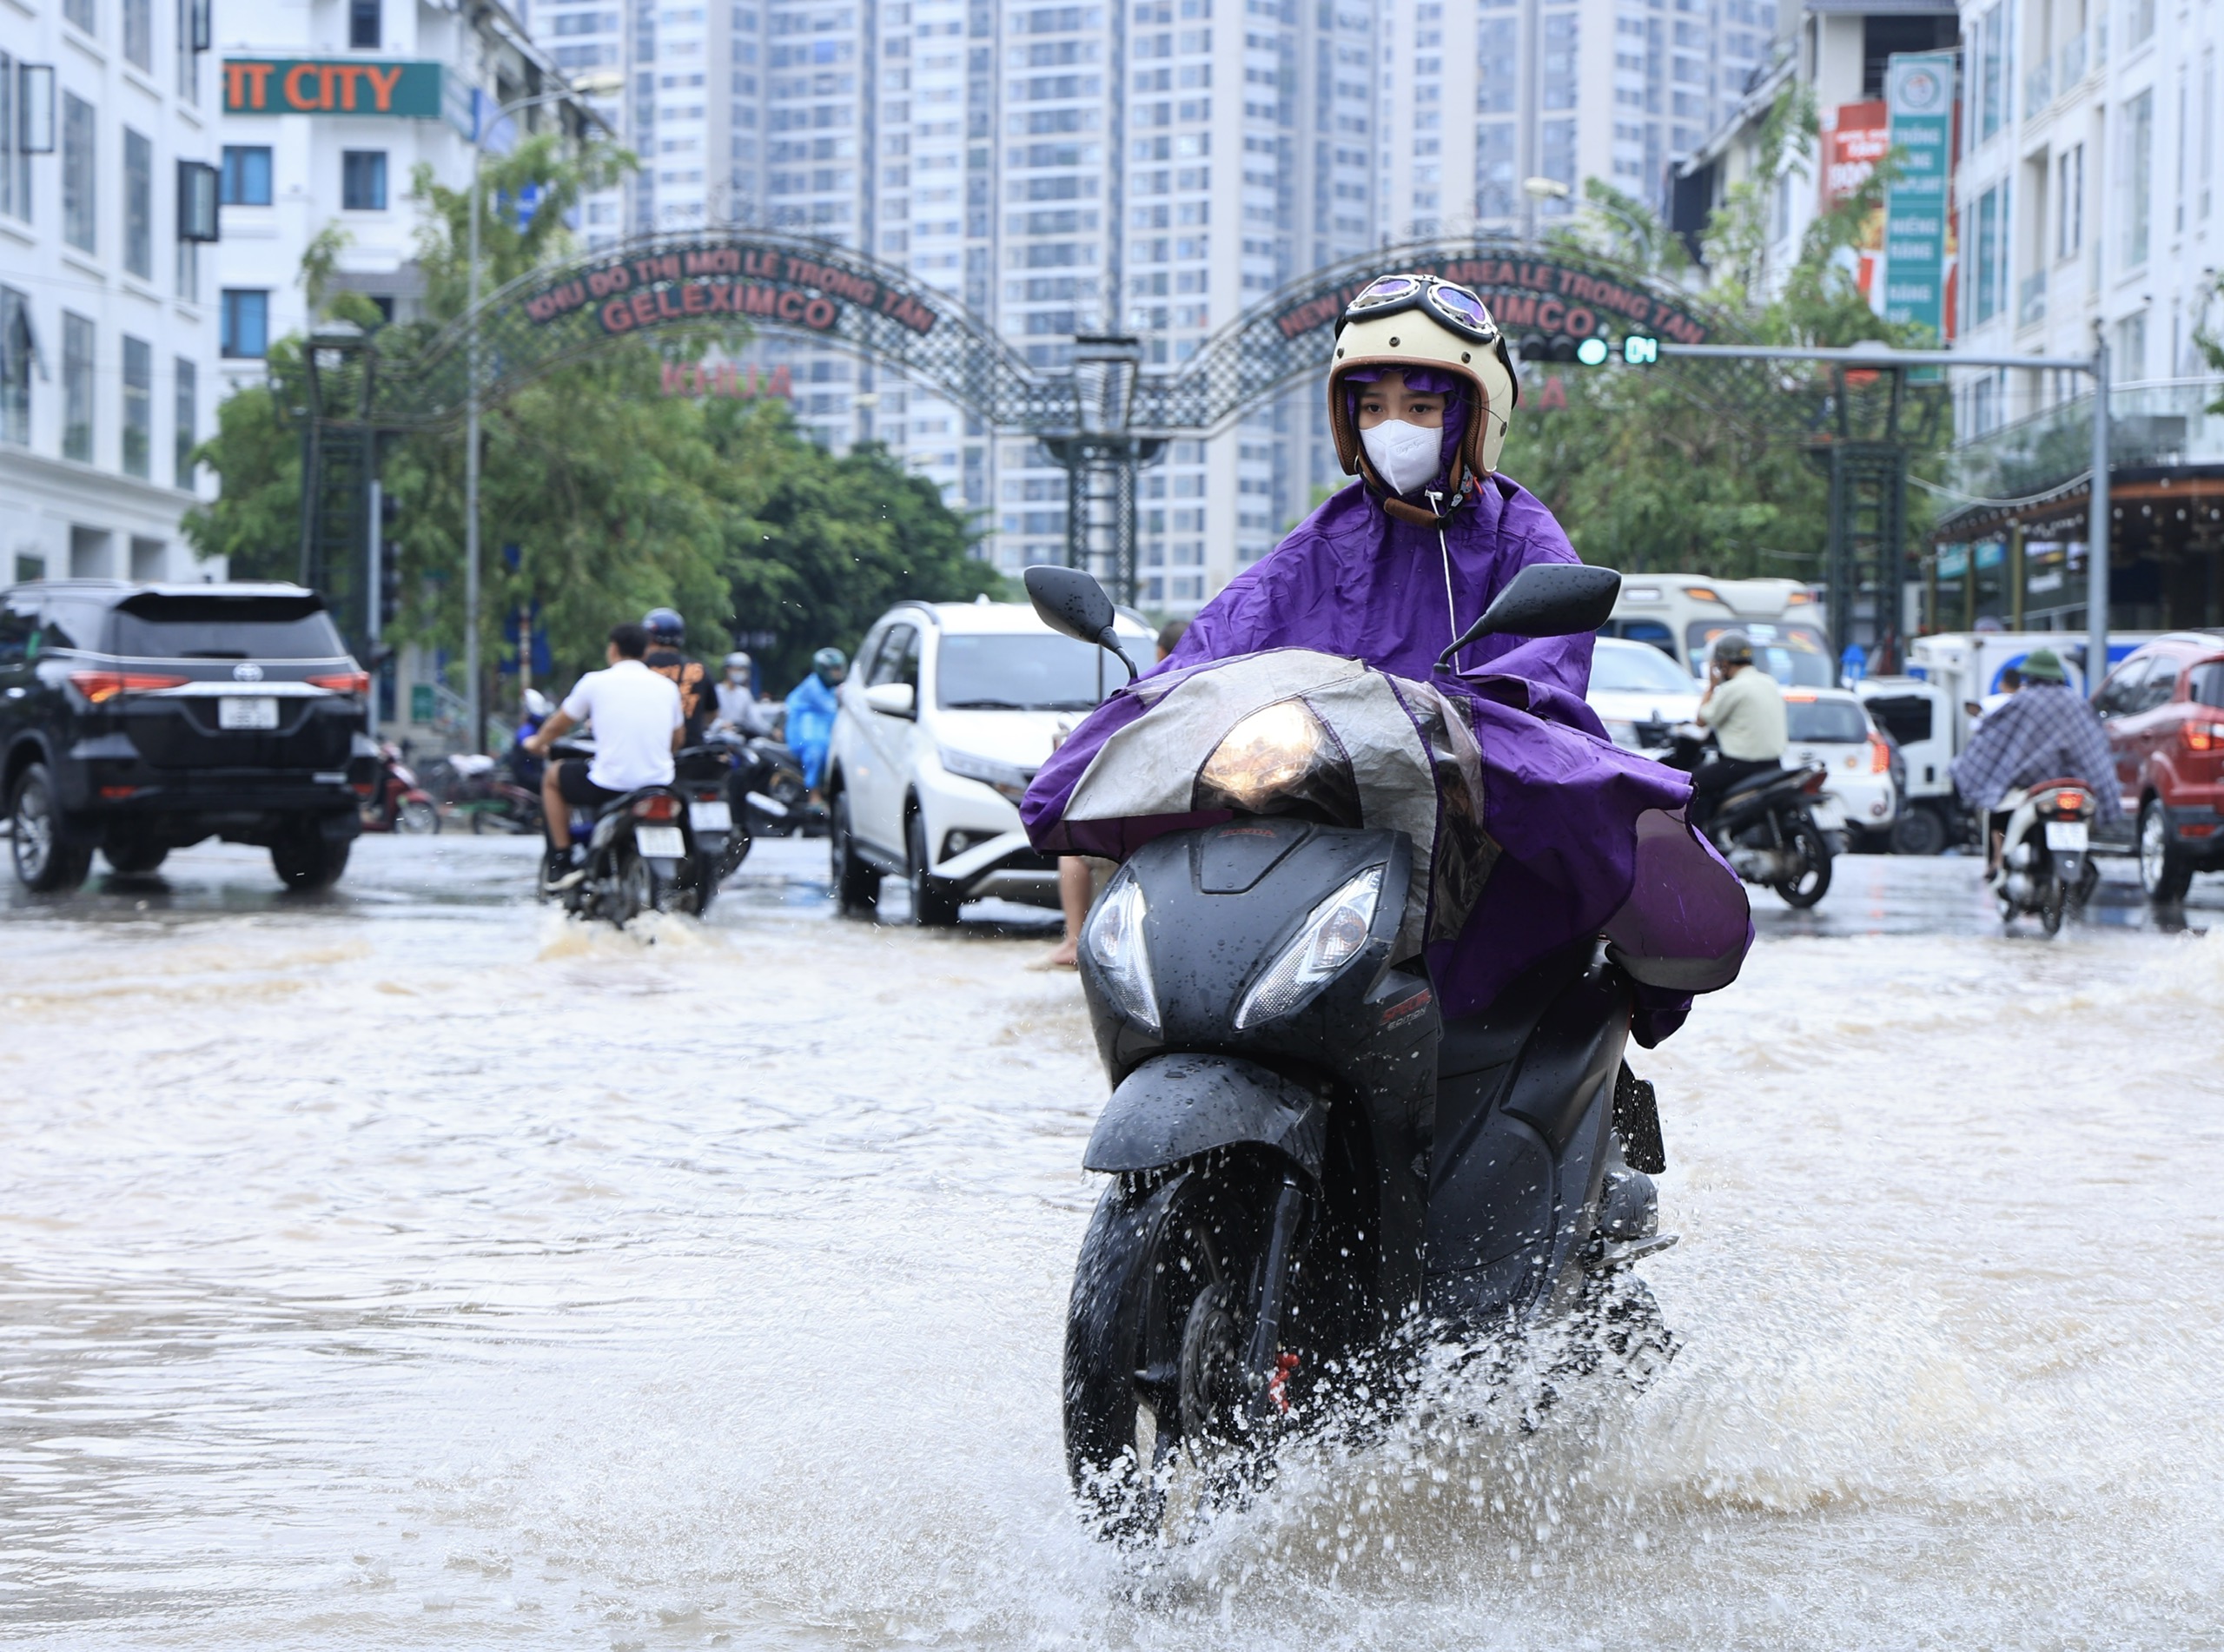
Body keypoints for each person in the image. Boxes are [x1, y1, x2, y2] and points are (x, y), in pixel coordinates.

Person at [1021, 271, 1750, 1043]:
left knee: (1609, 826)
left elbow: (1545, 675)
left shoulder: (1523, 538)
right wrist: (1143, 707)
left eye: (1421, 407)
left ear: (1472, 417)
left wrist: (1458, 714)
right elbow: (1226, 634)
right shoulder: (1326, 537)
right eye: (1372, 407)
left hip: (1474, 790)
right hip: (1327, 798)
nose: (1391, 426)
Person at [1042, 618, 1190, 968]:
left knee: (1074, 852)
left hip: (1146, 825)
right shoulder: (1226, 692)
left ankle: (1074, 942)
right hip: (1203, 823)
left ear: (1159, 653)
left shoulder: (1145, 695)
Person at [522, 621, 685, 891]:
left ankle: (561, 860)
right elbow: (677, 740)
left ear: (613, 650)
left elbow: (557, 725)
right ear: (645, 653)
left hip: (610, 785)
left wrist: (537, 743)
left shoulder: (595, 682)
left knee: (552, 777)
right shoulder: (667, 687)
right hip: (659, 785)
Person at [1950, 646, 2121, 872]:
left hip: (2032, 786)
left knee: (1998, 810)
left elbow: (1994, 740)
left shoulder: (2023, 702)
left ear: (2030, 675)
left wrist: (1964, 766)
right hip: (2077, 786)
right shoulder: (2078, 703)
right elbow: (2096, 748)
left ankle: (1998, 863)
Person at [1687, 630, 1788, 831]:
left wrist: (1711, 686)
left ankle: (1697, 846)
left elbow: (1701, 720)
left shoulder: (1733, 688)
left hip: (1741, 766)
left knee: (1689, 785)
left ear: (1723, 663)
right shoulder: (1769, 682)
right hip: (1775, 764)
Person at [784, 646, 846, 801]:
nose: (838, 673)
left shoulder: (832, 688)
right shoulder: (813, 686)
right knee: (817, 749)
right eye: (834, 669)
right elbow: (833, 709)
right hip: (802, 731)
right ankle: (814, 794)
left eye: (839, 669)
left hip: (822, 728)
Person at [643, 607, 714, 741]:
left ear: (649, 638)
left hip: (652, 751)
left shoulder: (641, 668)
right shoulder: (699, 669)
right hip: (693, 754)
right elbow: (712, 715)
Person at [714, 651, 776, 737]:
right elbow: (707, 717)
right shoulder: (716, 691)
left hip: (737, 739)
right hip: (716, 737)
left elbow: (755, 719)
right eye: (737, 669)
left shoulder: (744, 694)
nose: (740, 673)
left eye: (743, 670)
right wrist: (721, 725)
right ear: (728, 669)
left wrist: (771, 731)